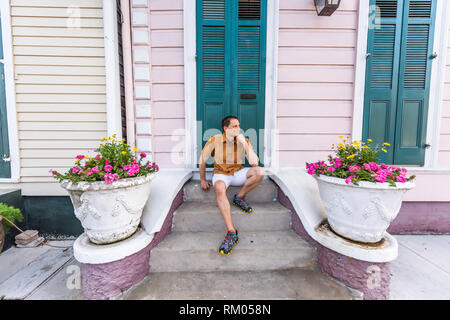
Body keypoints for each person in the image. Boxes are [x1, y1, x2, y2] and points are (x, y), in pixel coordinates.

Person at [199, 115, 265, 255]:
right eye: (235, 126)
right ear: (226, 128)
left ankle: (239, 197)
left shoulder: (243, 140)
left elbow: (255, 163)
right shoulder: (215, 140)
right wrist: (203, 180)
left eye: (238, 126)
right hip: (221, 174)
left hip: (237, 172)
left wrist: (244, 144)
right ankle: (231, 232)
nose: (238, 128)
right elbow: (203, 160)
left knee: (260, 172)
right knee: (219, 188)